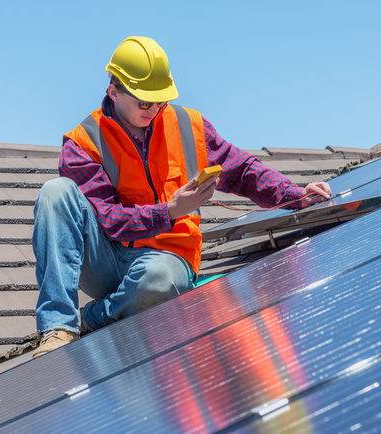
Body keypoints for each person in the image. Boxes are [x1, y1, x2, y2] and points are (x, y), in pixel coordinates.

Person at [32, 36, 332, 358]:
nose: (154, 110)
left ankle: (92, 318)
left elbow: (243, 170)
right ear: (114, 91)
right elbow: (109, 220)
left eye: (160, 101)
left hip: (166, 263)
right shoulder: (84, 143)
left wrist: (295, 195)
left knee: (158, 281)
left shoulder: (188, 126)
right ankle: (58, 328)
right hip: (105, 259)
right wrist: (171, 211)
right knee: (55, 192)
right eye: (144, 102)